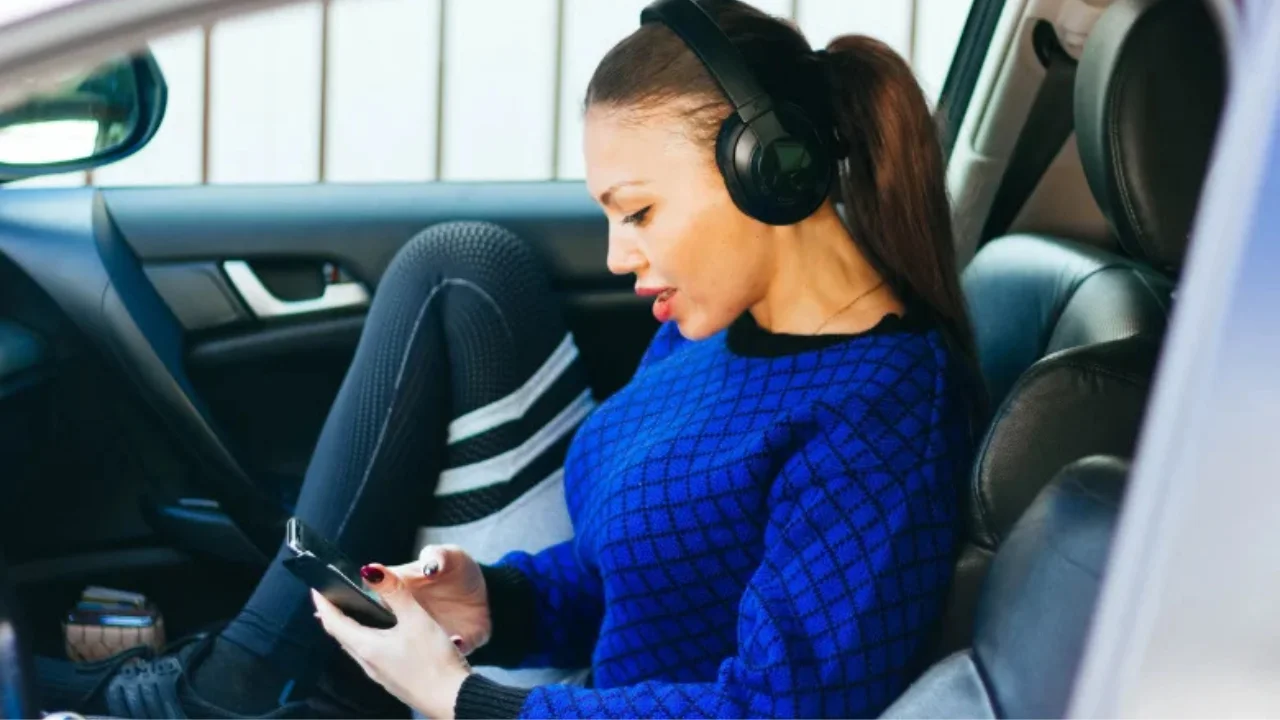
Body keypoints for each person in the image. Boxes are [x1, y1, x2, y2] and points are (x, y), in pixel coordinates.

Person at [39, 0, 979, 717]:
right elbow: (632, 570)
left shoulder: (883, 403)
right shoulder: (714, 330)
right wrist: (496, 602)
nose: (619, 256)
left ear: (767, 168)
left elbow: (779, 708)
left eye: (639, 211)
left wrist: (464, 698)